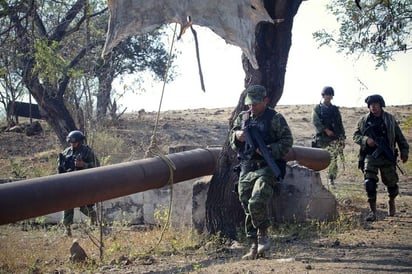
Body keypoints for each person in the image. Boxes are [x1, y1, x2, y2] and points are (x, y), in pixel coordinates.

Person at [230, 85, 293, 260]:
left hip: (267, 167)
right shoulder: (243, 118)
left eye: (256, 104)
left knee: (256, 201)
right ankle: (254, 246)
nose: (252, 107)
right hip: (247, 167)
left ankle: (263, 235)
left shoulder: (275, 118)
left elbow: (287, 141)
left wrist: (269, 149)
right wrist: (237, 136)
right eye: (249, 104)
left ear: (265, 100)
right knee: (247, 205)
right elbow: (232, 137)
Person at [353, 94, 409, 222]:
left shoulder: (389, 119)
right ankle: (372, 212)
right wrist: (366, 140)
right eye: (371, 105)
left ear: (380, 105)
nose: (373, 107)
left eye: (375, 104)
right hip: (370, 155)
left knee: (392, 184)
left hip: (386, 155)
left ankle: (391, 200)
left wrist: (404, 152)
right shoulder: (364, 120)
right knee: (369, 183)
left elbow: (399, 137)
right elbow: (356, 136)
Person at [58, 130, 100, 236]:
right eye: (71, 142)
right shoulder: (66, 152)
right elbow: (61, 167)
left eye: (75, 142)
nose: (73, 144)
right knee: (67, 205)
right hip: (69, 182)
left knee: (85, 206)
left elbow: (97, 165)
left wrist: (84, 165)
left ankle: (94, 221)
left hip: (83, 182)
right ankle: (67, 229)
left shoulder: (87, 152)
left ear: (80, 141)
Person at [311, 86, 346, 186]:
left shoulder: (335, 109)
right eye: (327, 95)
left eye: (330, 95)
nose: (329, 97)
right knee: (316, 159)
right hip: (322, 139)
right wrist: (326, 130)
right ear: (323, 95)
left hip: (334, 138)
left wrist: (342, 138)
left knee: (333, 159)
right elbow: (315, 121)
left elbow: (340, 124)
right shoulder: (318, 108)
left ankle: (331, 179)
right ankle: (314, 179)